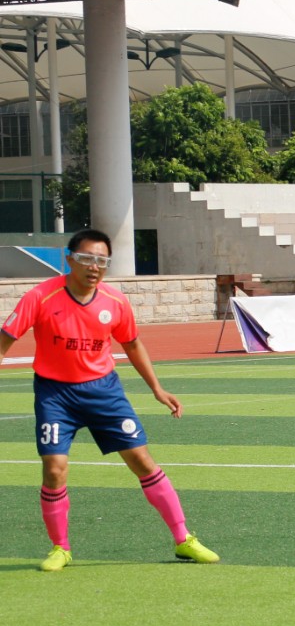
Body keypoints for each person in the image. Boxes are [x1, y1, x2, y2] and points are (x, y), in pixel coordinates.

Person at [0, 228, 218, 571]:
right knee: (54, 468)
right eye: (87, 258)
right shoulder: (40, 297)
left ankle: (183, 539)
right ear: (69, 259)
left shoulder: (115, 302)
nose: (94, 266)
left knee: (142, 461)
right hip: (55, 394)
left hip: (104, 391)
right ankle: (60, 548)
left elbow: (132, 344)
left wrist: (157, 389)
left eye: (102, 261)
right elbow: (6, 337)